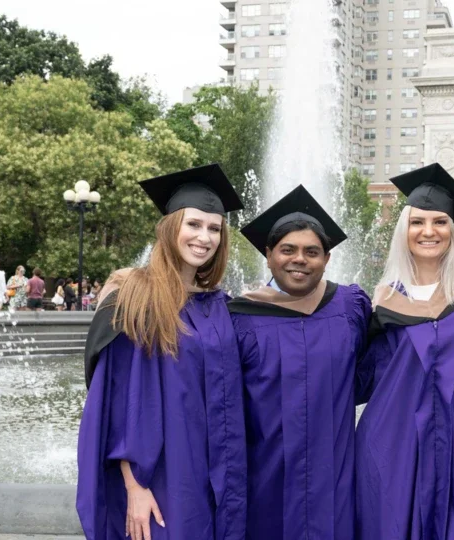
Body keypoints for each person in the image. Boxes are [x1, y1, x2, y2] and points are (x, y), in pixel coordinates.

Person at [77, 164, 247, 540]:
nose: (205, 237)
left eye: (214, 228)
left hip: (216, 470)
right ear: (171, 227)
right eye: (194, 224)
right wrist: (134, 486)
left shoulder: (221, 306)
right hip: (163, 475)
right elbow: (117, 399)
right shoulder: (135, 298)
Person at [355, 164, 454, 539]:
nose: (428, 231)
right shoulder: (385, 300)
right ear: (404, 230)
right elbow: (362, 376)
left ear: (452, 231)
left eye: (440, 222)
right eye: (417, 222)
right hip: (393, 443)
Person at [227, 185, 371, 539]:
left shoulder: (350, 306)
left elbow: (373, 370)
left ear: (327, 259)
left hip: (334, 472)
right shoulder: (239, 316)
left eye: (312, 251)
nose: (299, 259)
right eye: (287, 249)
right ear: (268, 254)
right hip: (266, 470)